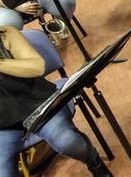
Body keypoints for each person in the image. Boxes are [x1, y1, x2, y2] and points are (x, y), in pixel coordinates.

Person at [0, 25, 112, 176]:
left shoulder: (6, 33)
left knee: (67, 141)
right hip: (4, 125)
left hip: (38, 105)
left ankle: (95, 162)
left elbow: (36, 66)